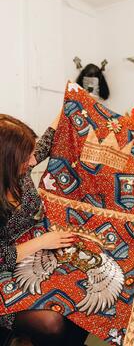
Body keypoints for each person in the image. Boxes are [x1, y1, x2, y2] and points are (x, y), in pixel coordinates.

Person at [0, 114, 88, 345]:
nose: (32, 161)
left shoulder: (19, 170)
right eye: (26, 157)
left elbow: (48, 141)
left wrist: (72, 105)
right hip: (5, 270)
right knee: (52, 323)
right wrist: (42, 242)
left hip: (34, 254)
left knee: (86, 291)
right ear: (6, 160)